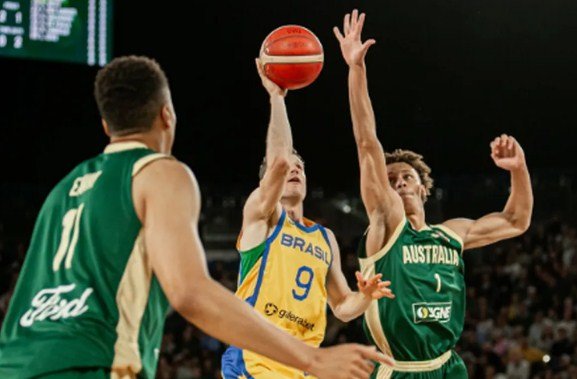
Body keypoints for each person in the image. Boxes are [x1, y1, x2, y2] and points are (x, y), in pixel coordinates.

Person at [0, 55, 392, 379]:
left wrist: (363, 298)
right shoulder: (160, 173)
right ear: (167, 115)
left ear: (106, 124)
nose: (293, 170)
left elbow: (21, 299)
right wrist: (315, 359)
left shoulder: (61, 191)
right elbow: (189, 292)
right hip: (98, 363)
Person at [334, 10, 533, 378]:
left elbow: (515, 220)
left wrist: (519, 170)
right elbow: (367, 144)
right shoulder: (386, 226)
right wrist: (355, 70)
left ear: (424, 189)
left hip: (448, 366)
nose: (398, 183)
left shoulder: (451, 233)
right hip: (401, 369)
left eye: (406, 176)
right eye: (390, 178)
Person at [220, 59, 395, 379]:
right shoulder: (263, 216)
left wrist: (366, 298)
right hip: (257, 359)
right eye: (289, 168)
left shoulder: (324, 237)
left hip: (305, 364)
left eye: (301, 166)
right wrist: (276, 97)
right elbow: (280, 161)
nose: (294, 168)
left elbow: (342, 307)